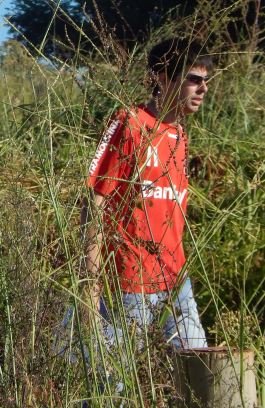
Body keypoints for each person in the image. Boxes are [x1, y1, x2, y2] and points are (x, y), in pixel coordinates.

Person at [82, 38, 215, 350]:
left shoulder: (180, 135)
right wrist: (89, 283)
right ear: (163, 78)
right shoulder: (128, 123)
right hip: (129, 279)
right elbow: (95, 200)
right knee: (112, 385)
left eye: (206, 81)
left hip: (175, 278)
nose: (203, 89)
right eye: (193, 79)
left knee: (199, 369)